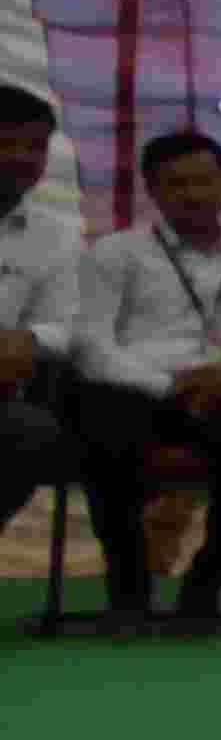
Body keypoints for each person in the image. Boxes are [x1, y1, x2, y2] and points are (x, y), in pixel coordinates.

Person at [72, 131, 221, 636]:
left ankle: (207, 577)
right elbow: (91, 345)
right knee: (104, 438)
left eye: (205, 181)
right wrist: (165, 384)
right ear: (153, 190)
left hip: (216, 392)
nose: (194, 194)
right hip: (133, 391)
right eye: (177, 184)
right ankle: (128, 586)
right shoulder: (116, 253)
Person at [0, 85, 78, 569]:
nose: (21, 157)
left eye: (34, 146)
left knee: (32, 431)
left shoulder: (55, 235)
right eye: (7, 142)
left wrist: (29, 339)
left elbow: (67, 323)